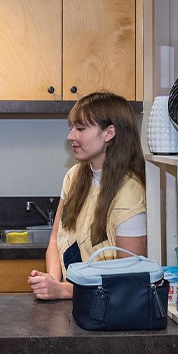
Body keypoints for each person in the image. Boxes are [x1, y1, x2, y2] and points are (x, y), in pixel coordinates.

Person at [28, 92, 147, 300]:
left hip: (106, 316)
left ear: (108, 133)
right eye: (72, 128)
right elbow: (55, 240)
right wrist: (53, 282)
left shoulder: (129, 193)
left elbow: (129, 282)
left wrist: (63, 291)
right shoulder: (73, 176)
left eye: (80, 129)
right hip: (72, 303)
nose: (71, 136)